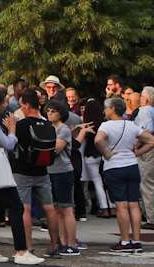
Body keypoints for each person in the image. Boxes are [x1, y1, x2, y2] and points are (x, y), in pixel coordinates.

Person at [0, 88, 43, 264]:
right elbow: (8, 144)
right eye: (3, 102)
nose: (6, 105)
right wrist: (11, 130)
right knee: (16, 208)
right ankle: (21, 251)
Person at [95, 96, 154, 254]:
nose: (105, 110)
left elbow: (98, 140)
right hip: (132, 166)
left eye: (106, 108)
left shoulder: (106, 125)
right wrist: (137, 153)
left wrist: (106, 153)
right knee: (133, 204)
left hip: (114, 167)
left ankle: (124, 240)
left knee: (121, 205)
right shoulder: (132, 125)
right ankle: (135, 240)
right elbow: (151, 140)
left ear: (113, 109)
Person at [11, 89, 59, 258]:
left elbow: (12, 145)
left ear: (26, 104)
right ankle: (54, 245)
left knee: (25, 208)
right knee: (50, 208)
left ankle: (28, 246)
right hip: (43, 171)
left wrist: (11, 128)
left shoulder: (21, 125)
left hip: (22, 171)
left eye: (21, 105)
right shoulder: (48, 124)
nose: (20, 108)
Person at [46, 101, 87, 257]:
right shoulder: (49, 128)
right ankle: (62, 242)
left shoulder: (63, 129)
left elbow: (56, 149)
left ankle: (72, 244)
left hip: (63, 171)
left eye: (53, 111)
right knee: (56, 210)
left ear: (60, 113)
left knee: (67, 208)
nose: (50, 113)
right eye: (48, 110)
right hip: (50, 171)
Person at [136, 87, 154, 229]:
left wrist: (136, 146)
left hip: (147, 150)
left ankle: (151, 218)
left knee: (147, 184)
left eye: (142, 96)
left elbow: (146, 130)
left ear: (146, 98)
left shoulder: (144, 111)